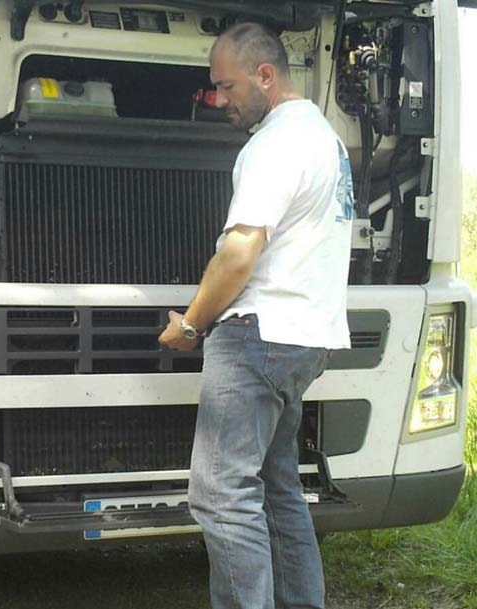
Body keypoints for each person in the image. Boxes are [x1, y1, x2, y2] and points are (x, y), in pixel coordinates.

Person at [158, 22, 353, 609]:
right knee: (277, 490)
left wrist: (189, 325)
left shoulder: (273, 144)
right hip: (304, 341)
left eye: (227, 85)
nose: (219, 100)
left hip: (257, 338)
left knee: (221, 496)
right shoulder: (327, 140)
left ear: (265, 75)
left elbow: (239, 252)